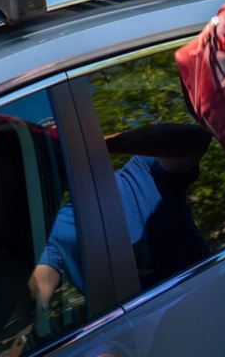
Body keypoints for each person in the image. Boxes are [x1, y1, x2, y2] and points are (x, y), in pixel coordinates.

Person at [29, 123, 211, 311]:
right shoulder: (58, 228)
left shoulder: (143, 169)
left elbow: (196, 139)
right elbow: (39, 286)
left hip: (209, 297)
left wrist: (97, 144)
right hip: (143, 331)